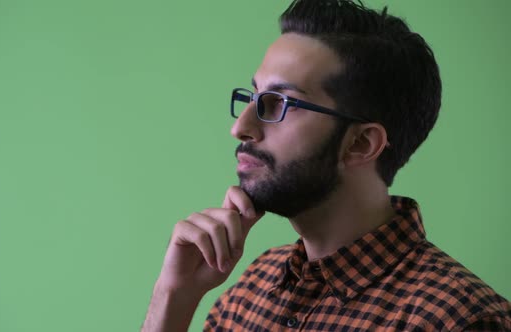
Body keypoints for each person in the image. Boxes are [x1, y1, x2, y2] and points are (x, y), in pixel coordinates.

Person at [142, 0, 511, 330]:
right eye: (254, 97)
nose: (240, 127)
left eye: (280, 103)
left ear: (361, 144)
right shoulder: (248, 293)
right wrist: (174, 296)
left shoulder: (460, 321)